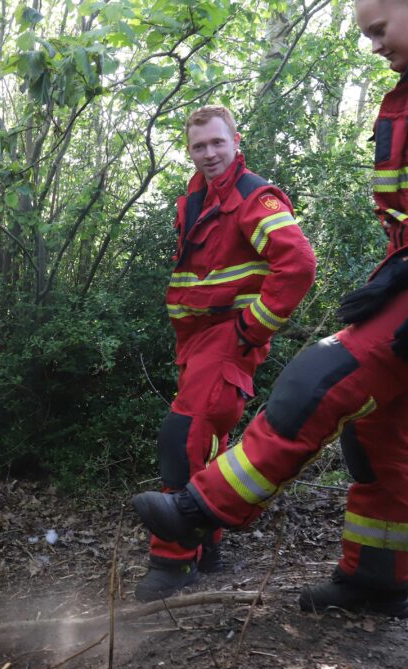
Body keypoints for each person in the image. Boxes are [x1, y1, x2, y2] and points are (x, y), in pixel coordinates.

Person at [133, 0, 408, 617]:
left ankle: (199, 512)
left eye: (379, 29)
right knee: (375, 431)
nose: (373, 45)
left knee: (317, 380)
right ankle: (377, 579)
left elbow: (295, 263)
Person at [136, 105, 316, 601]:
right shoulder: (194, 198)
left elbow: (297, 264)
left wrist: (252, 328)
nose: (209, 153)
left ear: (236, 141)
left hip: (227, 341)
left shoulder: (253, 197)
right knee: (204, 442)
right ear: (189, 151)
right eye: (199, 146)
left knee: (182, 437)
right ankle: (208, 545)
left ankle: (172, 563)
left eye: (217, 143)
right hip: (195, 343)